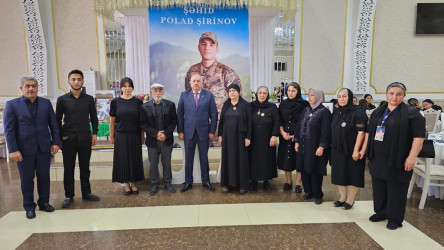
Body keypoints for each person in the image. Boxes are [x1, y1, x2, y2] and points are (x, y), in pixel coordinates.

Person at [363, 82, 425, 230]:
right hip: (378, 156)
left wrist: (411, 157)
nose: (394, 97)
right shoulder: (378, 111)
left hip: (399, 157)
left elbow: (419, 137)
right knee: (379, 186)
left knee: (396, 187)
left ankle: (395, 218)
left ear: (404, 96)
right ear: (386, 94)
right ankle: (381, 212)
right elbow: (370, 133)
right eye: (391, 93)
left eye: (398, 94)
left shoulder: (412, 113)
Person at [4, 76, 60, 219]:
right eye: (27, 86)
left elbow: (53, 125)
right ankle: (29, 206)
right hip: (23, 151)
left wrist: (55, 142)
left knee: (44, 177)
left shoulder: (46, 103)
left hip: (43, 148)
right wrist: (13, 149)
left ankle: (44, 202)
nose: (31, 88)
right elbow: (9, 130)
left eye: (33, 86)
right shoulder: (12, 105)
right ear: (21, 88)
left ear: (37, 88)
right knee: (27, 179)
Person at [185, 32, 241, 146]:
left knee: (225, 160)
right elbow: (188, 99)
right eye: (203, 44)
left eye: (211, 45)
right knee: (200, 159)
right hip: (198, 128)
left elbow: (237, 103)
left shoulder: (227, 72)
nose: (207, 48)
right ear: (199, 47)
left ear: (217, 49)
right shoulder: (192, 71)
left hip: (220, 129)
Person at [56, 70, 100, 208]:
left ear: (83, 81)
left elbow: (94, 118)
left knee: (85, 168)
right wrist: (58, 139)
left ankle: (86, 193)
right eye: (73, 79)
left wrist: (94, 134)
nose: (76, 82)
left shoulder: (88, 99)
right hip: (68, 138)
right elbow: (57, 121)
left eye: (79, 79)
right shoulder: (62, 100)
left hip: (85, 138)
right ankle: (69, 195)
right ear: (68, 81)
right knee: (68, 168)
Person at [177, 73, 218, 192]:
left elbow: (214, 115)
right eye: (193, 81)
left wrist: (211, 131)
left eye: (198, 81)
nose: (195, 83)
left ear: (202, 83)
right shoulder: (184, 95)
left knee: (204, 157)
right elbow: (179, 114)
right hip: (188, 132)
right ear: (190, 83)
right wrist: (180, 131)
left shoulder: (209, 96)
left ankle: (206, 181)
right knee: (188, 158)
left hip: (204, 132)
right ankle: (188, 182)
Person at [330, 88, 368, 210]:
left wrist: (356, 150)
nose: (341, 99)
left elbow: (361, 133)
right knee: (339, 174)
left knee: (353, 174)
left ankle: (350, 199)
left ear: (350, 98)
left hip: (352, 149)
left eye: (344, 96)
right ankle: (342, 197)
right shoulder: (336, 111)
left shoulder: (358, 112)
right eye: (339, 96)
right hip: (337, 148)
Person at [294, 88, 332, 204]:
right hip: (304, 146)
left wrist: (322, 146)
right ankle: (308, 192)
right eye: (308, 95)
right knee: (304, 168)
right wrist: (297, 141)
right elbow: (299, 125)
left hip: (315, 147)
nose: (309, 98)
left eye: (312, 95)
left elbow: (326, 131)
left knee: (315, 170)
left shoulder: (324, 112)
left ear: (319, 97)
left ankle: (317, 194)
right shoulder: (306, 110)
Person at [140, 83, 177, 195]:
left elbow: (174, 122)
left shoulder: (170, 105)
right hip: (152, 140)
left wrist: (165, 134)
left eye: (160, 90)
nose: (158, 93)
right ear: (151, 92)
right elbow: (143, 124)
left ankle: (168, 183)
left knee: (167, 162)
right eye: (155, 90)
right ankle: (154, 184)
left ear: (163, 92)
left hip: (167, 139)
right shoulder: (144, 107)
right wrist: (156, 134)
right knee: (153, 163)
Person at [109, 77, 144, 195]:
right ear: (121, 88)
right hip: (121, 135)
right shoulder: (115, 102)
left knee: (134, 159)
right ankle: (127, 185)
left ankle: (134, 183)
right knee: (123, 160)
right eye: (124, 86)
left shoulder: (138, 102)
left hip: (134, 135)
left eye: (129, 86)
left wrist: (142, 137)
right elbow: (112, 121)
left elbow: (141, 122)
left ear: (133, 88)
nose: (127, 88)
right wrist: (112, 136)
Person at [218, 84, 251, 194]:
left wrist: (248, 137)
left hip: (240, 137)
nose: (232, 92)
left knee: (241, 160)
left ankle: (242, 185)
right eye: (230, 91)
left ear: (238, 92)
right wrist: (220, 135)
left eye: (234, 90)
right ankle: (227, 183)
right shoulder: (226, 105)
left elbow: (249, 123)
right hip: (227, 138)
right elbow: (221, 122)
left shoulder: (245, 105)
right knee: (228, 159)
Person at [277, 82, 309, 193]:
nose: (291, 93)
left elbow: (305, 121)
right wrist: (282, 133)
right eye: (289, 91)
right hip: (285, 135)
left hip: (299, 136)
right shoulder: (283, 104)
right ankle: (288, 181)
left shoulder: (304, 104)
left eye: (293, 91)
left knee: (298, 159)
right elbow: (279, 120)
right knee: (287, 159)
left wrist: (297, 135)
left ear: (298, 92)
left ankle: (298, 183)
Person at [249, 86, 279, 191]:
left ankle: (266, 182)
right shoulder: (251, 106)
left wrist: (274, 136)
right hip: (253, 139)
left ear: (267, 95)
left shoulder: (272, 107)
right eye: (260, 93)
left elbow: (276, 122)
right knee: (253, 160)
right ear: (256, 94)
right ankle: (253, 181)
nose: (262, 95)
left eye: (264, 93)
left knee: (267, 160)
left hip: (268, 139)